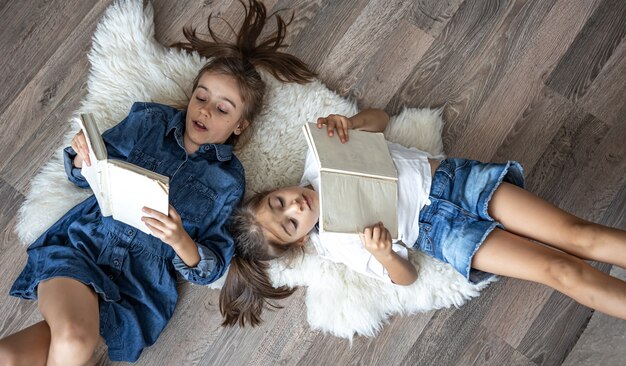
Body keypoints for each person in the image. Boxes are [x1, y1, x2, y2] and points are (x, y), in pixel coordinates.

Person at [0, 0, 315, 364]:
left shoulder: (228, 183)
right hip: (84, 246)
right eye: (201, 97)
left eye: (223, 109)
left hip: (138, 288)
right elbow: (88, 169)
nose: (206, 110)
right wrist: (80, 156)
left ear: (239, 126)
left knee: (11, 356)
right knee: (71, 340)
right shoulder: (149, 122)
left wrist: (181, 240)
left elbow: (210, 265)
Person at [221, 108, 626, 327]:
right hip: (442, 234)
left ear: (275, 189)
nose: (295, 207)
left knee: (578, 234)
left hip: (455, 182)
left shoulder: (317, 155)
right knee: (559, 271)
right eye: (290, 223)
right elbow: (406, 278)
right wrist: (383, 254)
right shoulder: (336, 244)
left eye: (279, 201)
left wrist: (352, 123)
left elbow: (380, 121)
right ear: (300, 241)